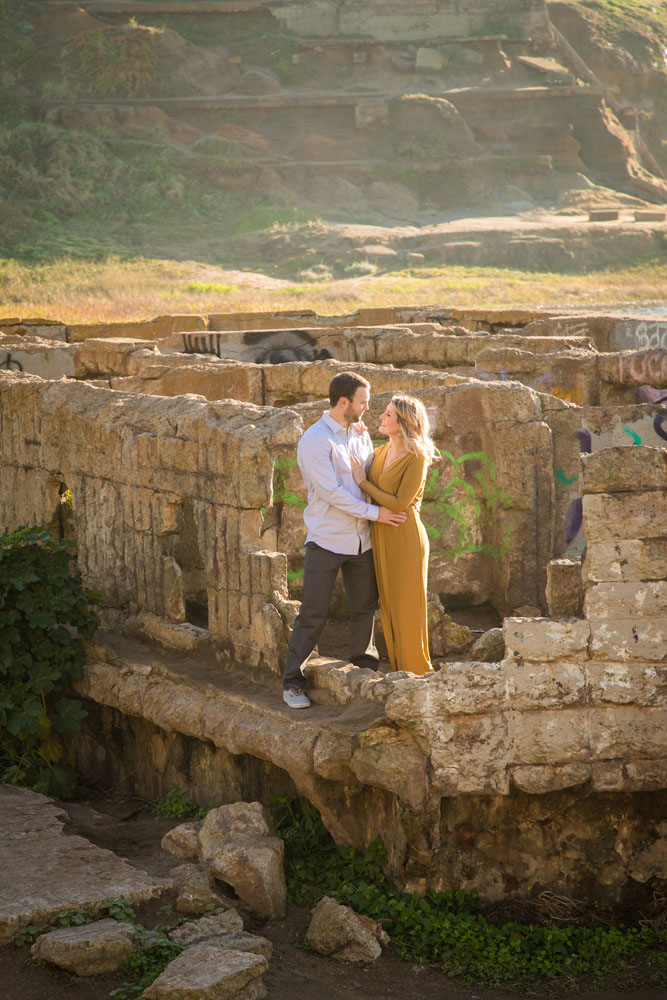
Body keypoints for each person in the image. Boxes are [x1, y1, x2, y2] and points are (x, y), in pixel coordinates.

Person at [282, 372, 407, 709]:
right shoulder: (315, 440)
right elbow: (333, 494)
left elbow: (365, 477)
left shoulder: (360, 435)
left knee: (364, 609)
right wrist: (378, 514)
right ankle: (293, 682)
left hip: (362, 542)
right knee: (313, 613)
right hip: (326, 541)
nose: (368, 408)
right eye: (363, 402)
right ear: (343, 402)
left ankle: (364, 671)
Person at [350, 395, 437, 675]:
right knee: (389, 607)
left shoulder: (417, 457)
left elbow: (400, 503)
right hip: (382, 534)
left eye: (387, 415)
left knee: (408, 608)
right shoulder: (378, 452)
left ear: (403, 423)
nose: (381, 418)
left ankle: (419, 674)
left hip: (405, 535)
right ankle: (402, 672)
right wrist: (356, 434)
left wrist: (363, 483)